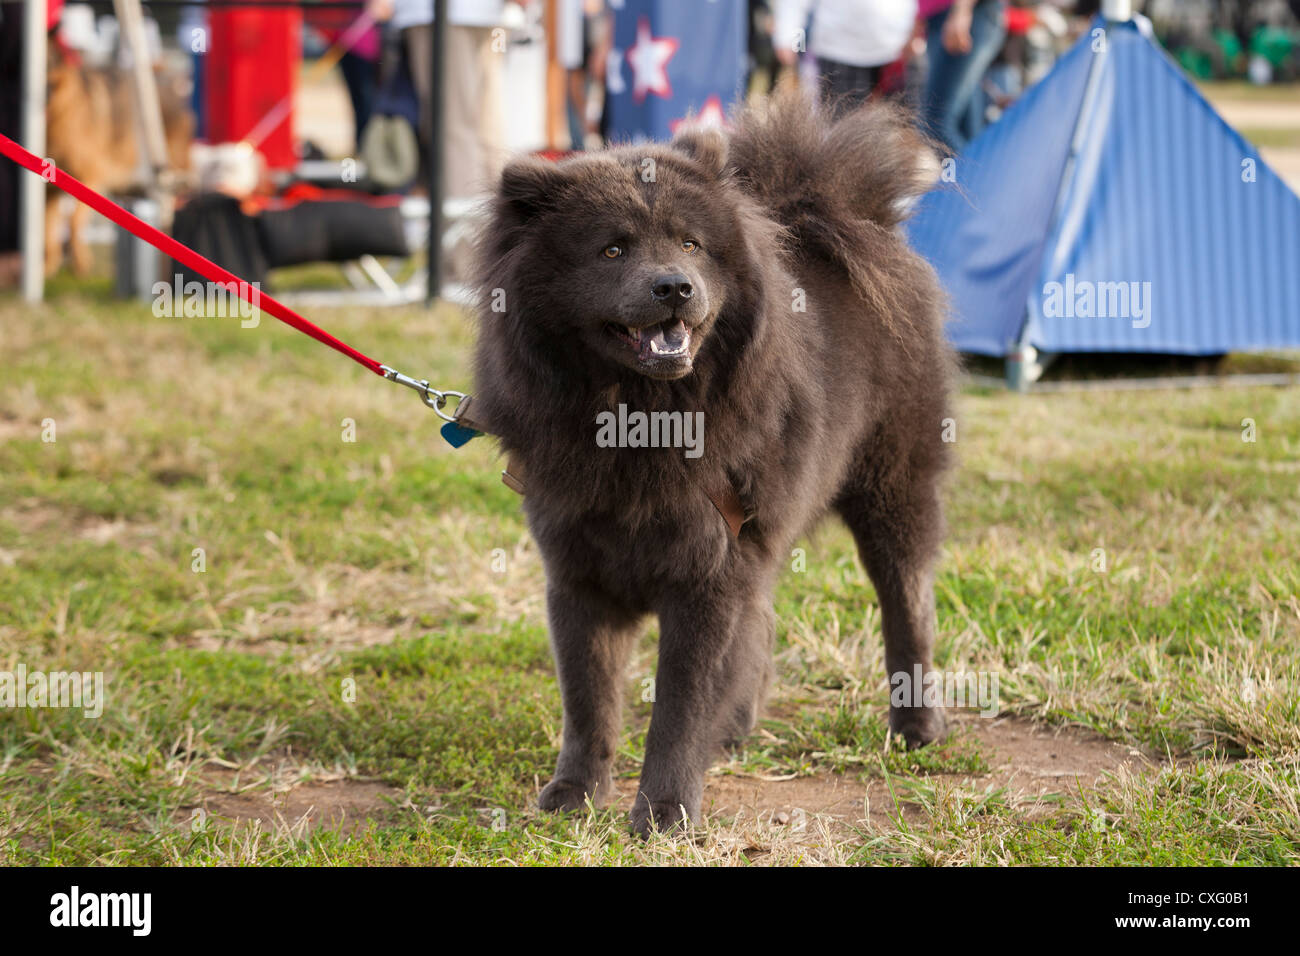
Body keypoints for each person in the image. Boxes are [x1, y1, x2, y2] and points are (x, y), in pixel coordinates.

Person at [365, 0, 508, 199]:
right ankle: (491, 218)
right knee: (483, 124)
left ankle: (463, 220)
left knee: (452, 125)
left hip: (443, 15)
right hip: (485, 14)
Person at [774, 0, 918, 110]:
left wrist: (915, 33)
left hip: (894, 50)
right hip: (838, 51)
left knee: (894, 130)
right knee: (838, 128)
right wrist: (787, 38)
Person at [919, 0, 1007, 151]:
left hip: (963, 15)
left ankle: (977, 175)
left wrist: (961, 9)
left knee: (936, 124)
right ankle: (981, 172)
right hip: (941, 18)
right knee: (967, 131)